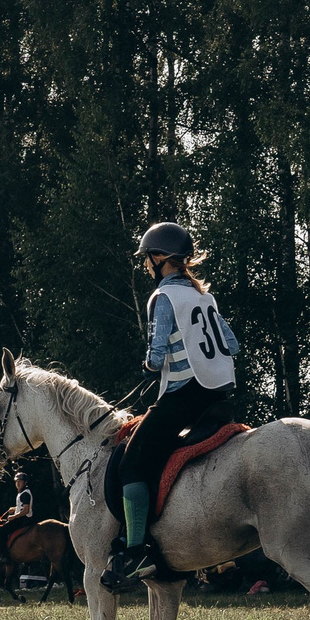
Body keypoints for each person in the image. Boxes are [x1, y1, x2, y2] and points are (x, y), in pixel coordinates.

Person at [104, 221, 237, 584]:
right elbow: (232, 345)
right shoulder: (204, 297)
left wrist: (149, 367)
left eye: (148, 258)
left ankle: (135, 554)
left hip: (184, 397)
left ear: (161, 257)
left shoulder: (163, 298)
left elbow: (156, 355)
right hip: (218, 396)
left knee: (132, 462)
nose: (146, 265)